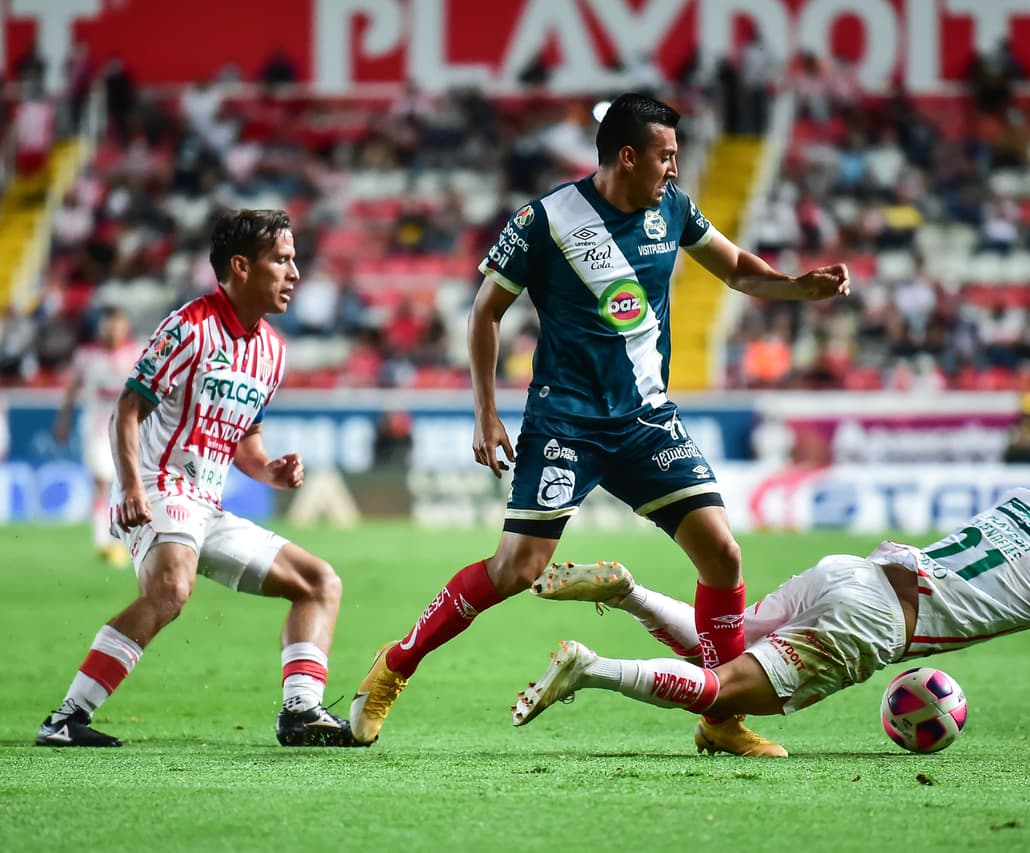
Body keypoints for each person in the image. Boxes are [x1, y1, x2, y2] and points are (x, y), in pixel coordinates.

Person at [350, 93, 850, 756]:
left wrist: (797, 286)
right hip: (567, 421)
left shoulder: (672, 207)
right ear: (627, 156)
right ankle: (394, 666)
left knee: (722, 554)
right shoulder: (545, 220)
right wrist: (485, 410)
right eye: (666, 156)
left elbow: (735, 269)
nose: (675, 169)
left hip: (645, 420)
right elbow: (484, 313)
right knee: (516, 568)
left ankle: (720, 719)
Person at [512, 469, 1030, 762]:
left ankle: (629, 592)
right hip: (877, 624)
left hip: (856, 569)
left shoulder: (1027, 503)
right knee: (726, 687)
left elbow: (1018, 569)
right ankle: (593, 668)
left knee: (731, 643)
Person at [36, 209, 359, 748]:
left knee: (320, 582)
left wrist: (270, 470)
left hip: (206, 505)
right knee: (171, 587)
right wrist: (132, 489)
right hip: (158, 486)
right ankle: (67, 718)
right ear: (241, 266)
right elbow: (127, 408)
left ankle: (301, 711)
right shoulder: (189, 326)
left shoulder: (272, 351)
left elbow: (246, 443)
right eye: (281, 259)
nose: (295, 272)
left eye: (294, 259)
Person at [54, 307, 138, 567]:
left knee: (128, 483)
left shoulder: (136, 353)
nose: (114, 331)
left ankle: (128, 538)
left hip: (130, 429)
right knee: (102, 482)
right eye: (110, 326)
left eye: (118, 325)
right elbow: (72, 387)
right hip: (96, 428)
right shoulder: (86, 356)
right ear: (102, 328)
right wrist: (64, 419)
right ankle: (102, 541)